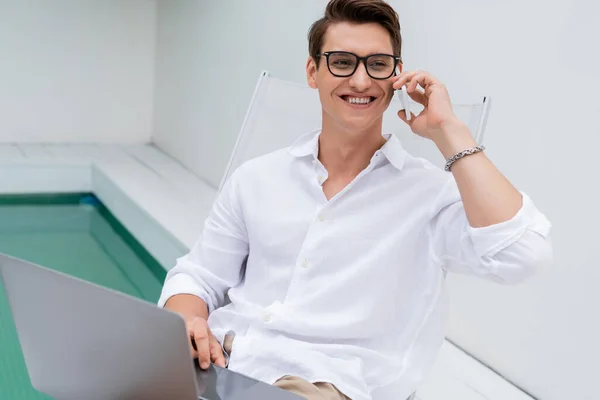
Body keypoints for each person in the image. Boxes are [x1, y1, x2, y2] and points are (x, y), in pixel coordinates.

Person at [157, 0, 553, 399]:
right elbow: (200, 275)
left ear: (396, 75)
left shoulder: (430, 196)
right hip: (225, 360)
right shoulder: (257, 178)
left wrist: (449, 131)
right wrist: (187, 320)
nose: (361, 81)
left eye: (377, 64)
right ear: (313, 72)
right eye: (342, 62)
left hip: (325, 383)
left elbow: (523, 256)